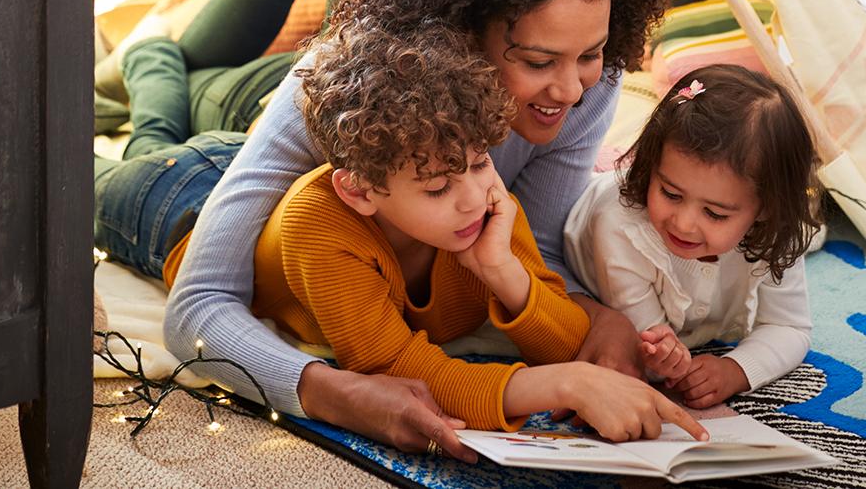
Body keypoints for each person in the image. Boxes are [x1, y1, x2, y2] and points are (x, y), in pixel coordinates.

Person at [155, 0, 668, 456]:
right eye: (538, 60)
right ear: (462, 32)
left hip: (357, 171)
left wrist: (592, 319)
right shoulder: (337, 87)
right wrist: (332, 391)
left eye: (590, 55)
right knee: (175, 84)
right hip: (207, 161)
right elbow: (197, 310)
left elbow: (529, 257)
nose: (573, 88)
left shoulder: (589, 81)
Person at [154, 23, 706, 441]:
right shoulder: (321, 224)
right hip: (179, 201)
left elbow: (567, 341)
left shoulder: (488, 208)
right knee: (129, 151)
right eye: (438, 188)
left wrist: (503, 271)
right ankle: (151, 54)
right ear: (360, 190)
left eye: (480, 162)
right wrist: (563, 386)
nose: (473, 196)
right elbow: (393, 368)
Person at [564, 64, 822, 409]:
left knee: (808, 232)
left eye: (714, 213)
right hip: (587, 209)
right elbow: (646, 351)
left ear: (766, 208)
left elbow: (791, 327)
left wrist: (736, 369)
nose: (684, 224)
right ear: (651, 167)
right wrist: (663, 355)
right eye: (670, 193)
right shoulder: (619, 228)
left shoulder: (778, 231)